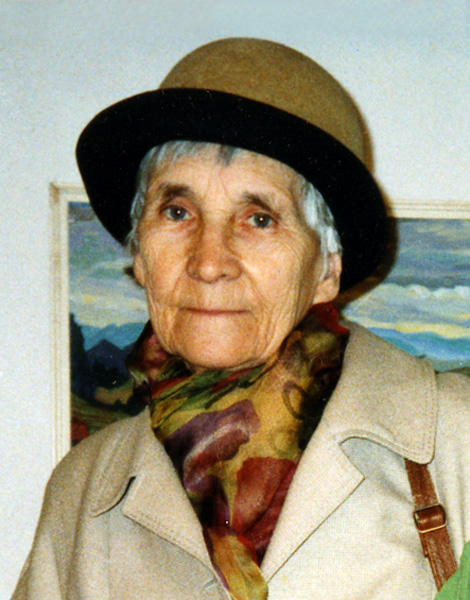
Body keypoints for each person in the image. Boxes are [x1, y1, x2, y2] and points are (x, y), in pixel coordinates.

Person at [13, 38, 470, 600]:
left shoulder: (456, 442)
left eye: (259, 219)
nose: (209, 263)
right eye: (177, 211)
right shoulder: (83, 494)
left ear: (326, 268)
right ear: (140, 255)